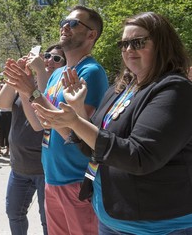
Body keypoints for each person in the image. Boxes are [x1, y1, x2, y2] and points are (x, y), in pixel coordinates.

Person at [33, 12, 192, 234]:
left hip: (157, 225)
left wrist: (75, 122)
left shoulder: (174, 90)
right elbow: (92, 147)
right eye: (124, 43)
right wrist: (78, 109)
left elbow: (139, 157)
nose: (128, 49)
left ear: (162, 44)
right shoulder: (123, 88)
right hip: (111, 216)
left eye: (137, 42)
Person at [4, 5, 108, 235]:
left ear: (91, 34)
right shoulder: (59, 74)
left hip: (78, 180)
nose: (65, 26)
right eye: (64, 21)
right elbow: (39, 124)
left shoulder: (91, 72)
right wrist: (23, 88)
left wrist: (31, 90)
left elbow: (75, 133)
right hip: (52, 178)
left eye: (73, 23)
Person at [0, 43, 66, 235]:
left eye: (56, 58)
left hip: (44, 168)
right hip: (19, 166)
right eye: (47, 56)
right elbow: (3, 103)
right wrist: (17, 74)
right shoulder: (30, 82)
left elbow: (43, 108)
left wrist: (38, 72)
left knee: (48, 220)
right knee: (14, 213)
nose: (49, 61)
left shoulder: (59, 86)